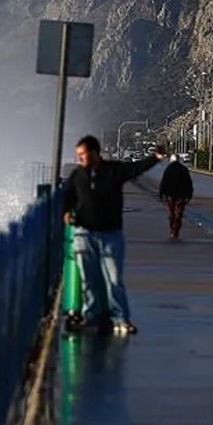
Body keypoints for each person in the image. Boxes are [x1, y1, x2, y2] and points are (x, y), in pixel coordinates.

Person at [61, 135, 165, 335]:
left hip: (110, 235)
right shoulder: (77, 175)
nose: (80, 158)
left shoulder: (112, 171)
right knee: (88, 279)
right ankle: (90, 316)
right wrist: (66, 213)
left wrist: (156, 158)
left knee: (114, 279)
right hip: (85, 234)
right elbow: (67, 196)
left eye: (83, 154)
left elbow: (136, 168)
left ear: (94, 153)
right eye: (78, 155)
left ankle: (120, 319)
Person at [158, 155, 194, 239]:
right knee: (178, 213)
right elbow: (189, 183)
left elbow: (164, 182)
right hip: (181, 195)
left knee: (171, 213)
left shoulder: (168, 169)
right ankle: (176, 230)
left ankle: (172, 229)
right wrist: (189, 195)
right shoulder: (184, 169)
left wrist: (161, 193)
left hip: (170, 195)